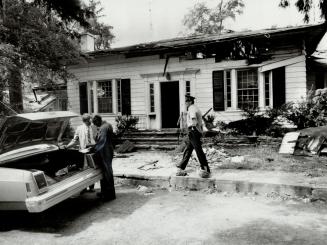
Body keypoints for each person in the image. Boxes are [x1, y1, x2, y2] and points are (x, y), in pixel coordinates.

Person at [176, 95, 211, 178]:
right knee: (188, 149)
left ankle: (205, 169)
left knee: (198, 150)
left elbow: (193, 119)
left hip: (193, 131)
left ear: (190, 102)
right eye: (185, 101)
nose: (185, 103)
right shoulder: (194, 107)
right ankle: (181, 167)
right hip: (194, 131)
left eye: (186, 101)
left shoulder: (192, 108)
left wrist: (192, 128)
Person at [65, 113, 96, 192]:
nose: (91, 121)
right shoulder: (79, 128)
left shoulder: (94, 127)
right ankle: (83, 187)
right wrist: (67, 147)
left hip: (92, 149)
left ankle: (91, 187)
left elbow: (97, 138)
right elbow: (74, 140)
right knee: (84, 169)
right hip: (83, 151)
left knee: (93, 168)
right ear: (86, 120)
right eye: (90, 119)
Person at [92, 114, 116, 201]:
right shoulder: (107, 125)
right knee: (105, 172)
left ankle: (109, 195)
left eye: (96, 124)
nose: (96, 126)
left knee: (107, 173)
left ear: (98, 121)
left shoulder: (103, 128)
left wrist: (94, 149)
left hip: (105, 152)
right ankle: (105, 192)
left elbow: (102, 141)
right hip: (108, 150)